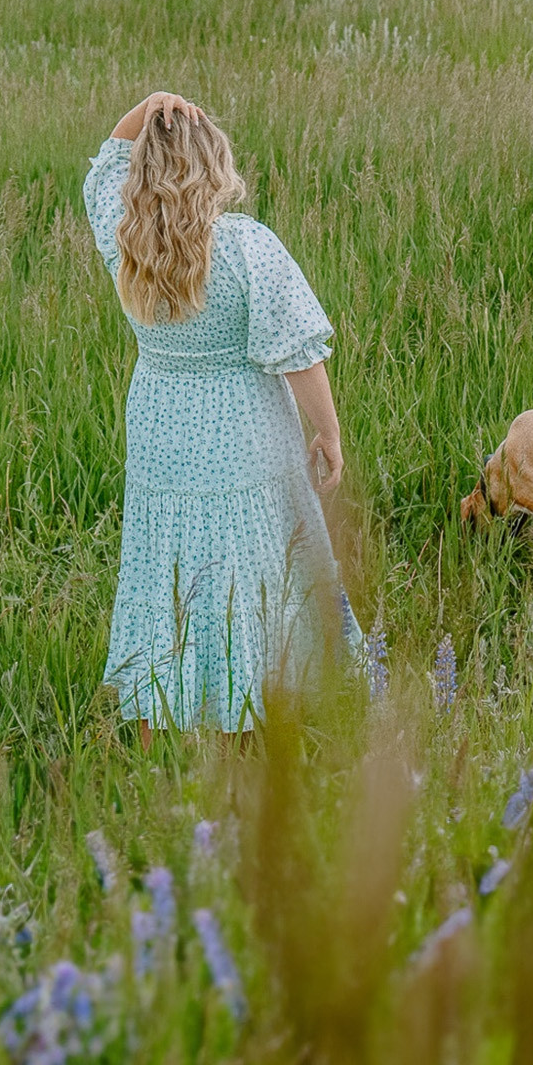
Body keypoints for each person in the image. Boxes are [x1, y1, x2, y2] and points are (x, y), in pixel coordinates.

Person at [83, 91, 351, 737]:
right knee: (251, 565)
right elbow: (296, 354)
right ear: (215, 169)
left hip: (160, 426)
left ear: (142, 173)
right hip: (244, 429)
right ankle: (249, 717)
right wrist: (328, 432)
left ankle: (158, 719)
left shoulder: (124, 240)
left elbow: (102, 167)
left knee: (163, 563)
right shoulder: (246, 248)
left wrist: (150, 107)